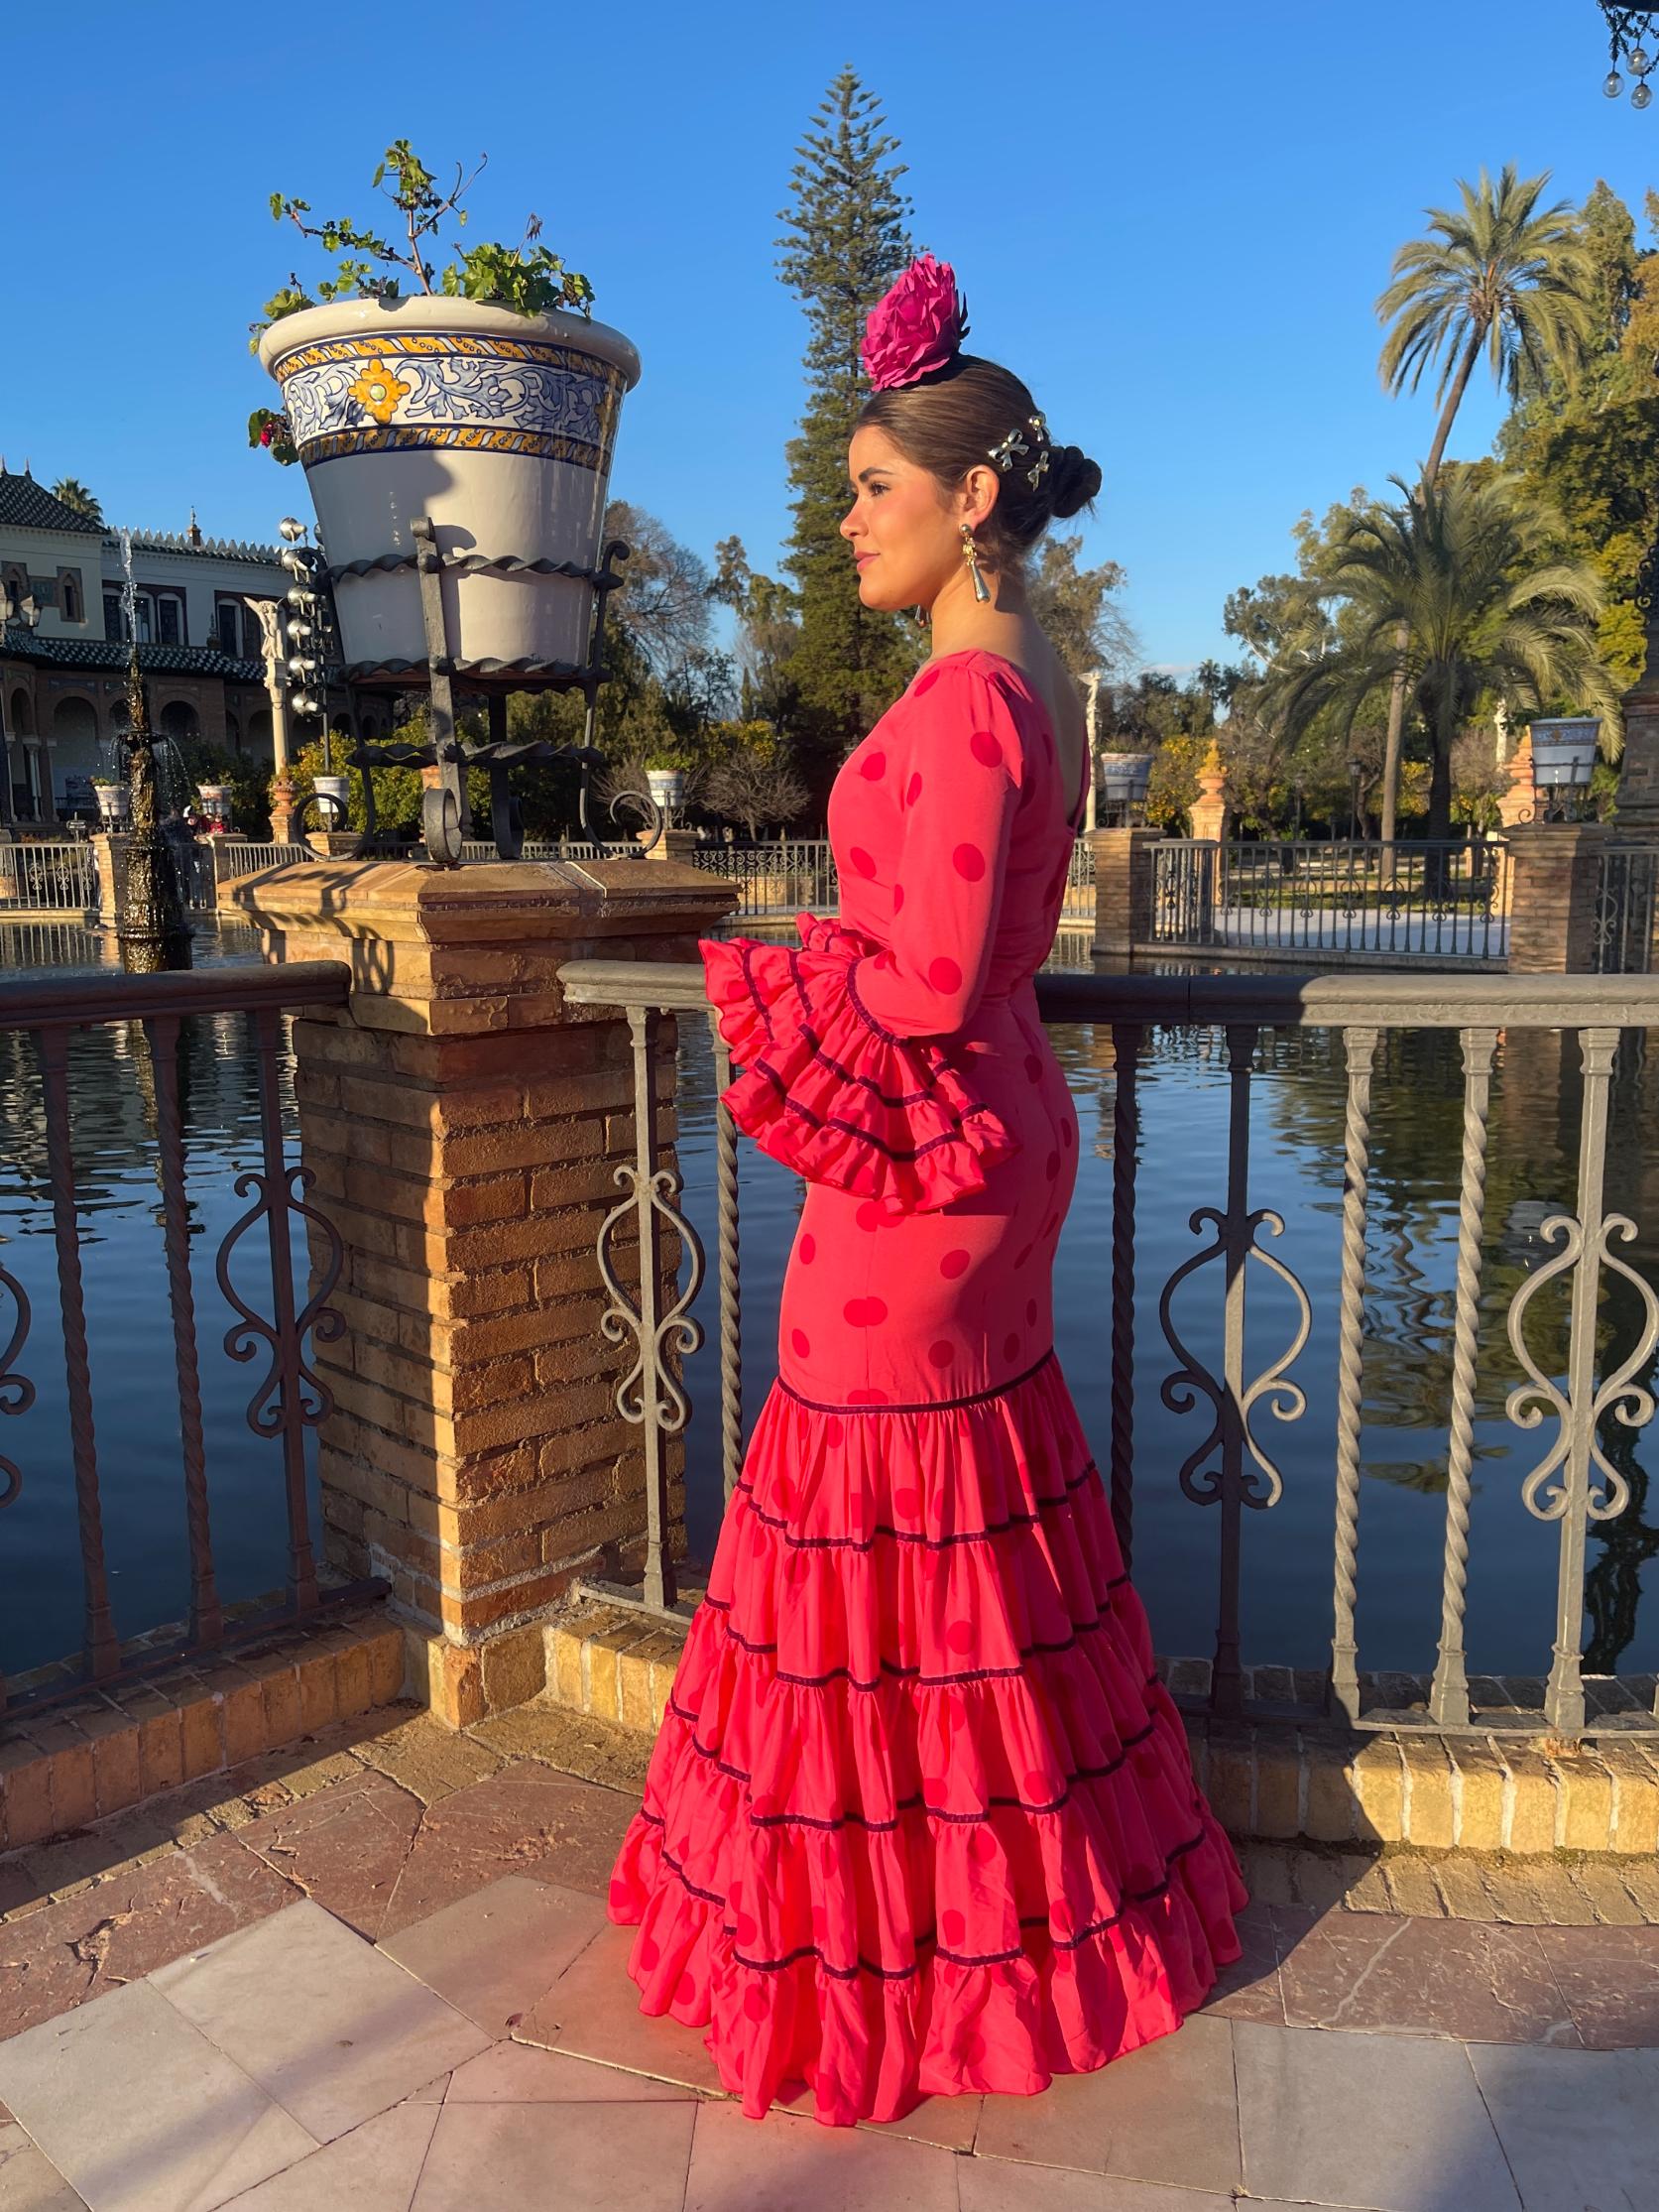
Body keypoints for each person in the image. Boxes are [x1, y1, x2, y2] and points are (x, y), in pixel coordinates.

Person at [607, 254, 1245, 2127]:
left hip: (931, 1161)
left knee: (869, 1504)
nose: (843, 513)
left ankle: (903, 1955)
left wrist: (783, 962)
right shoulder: (1028, 669)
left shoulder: (971, 699)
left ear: (971, 499)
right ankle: (1000, 1907)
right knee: (956, 1521)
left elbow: (932, 978)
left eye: (870, 484)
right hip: (974, 1144)